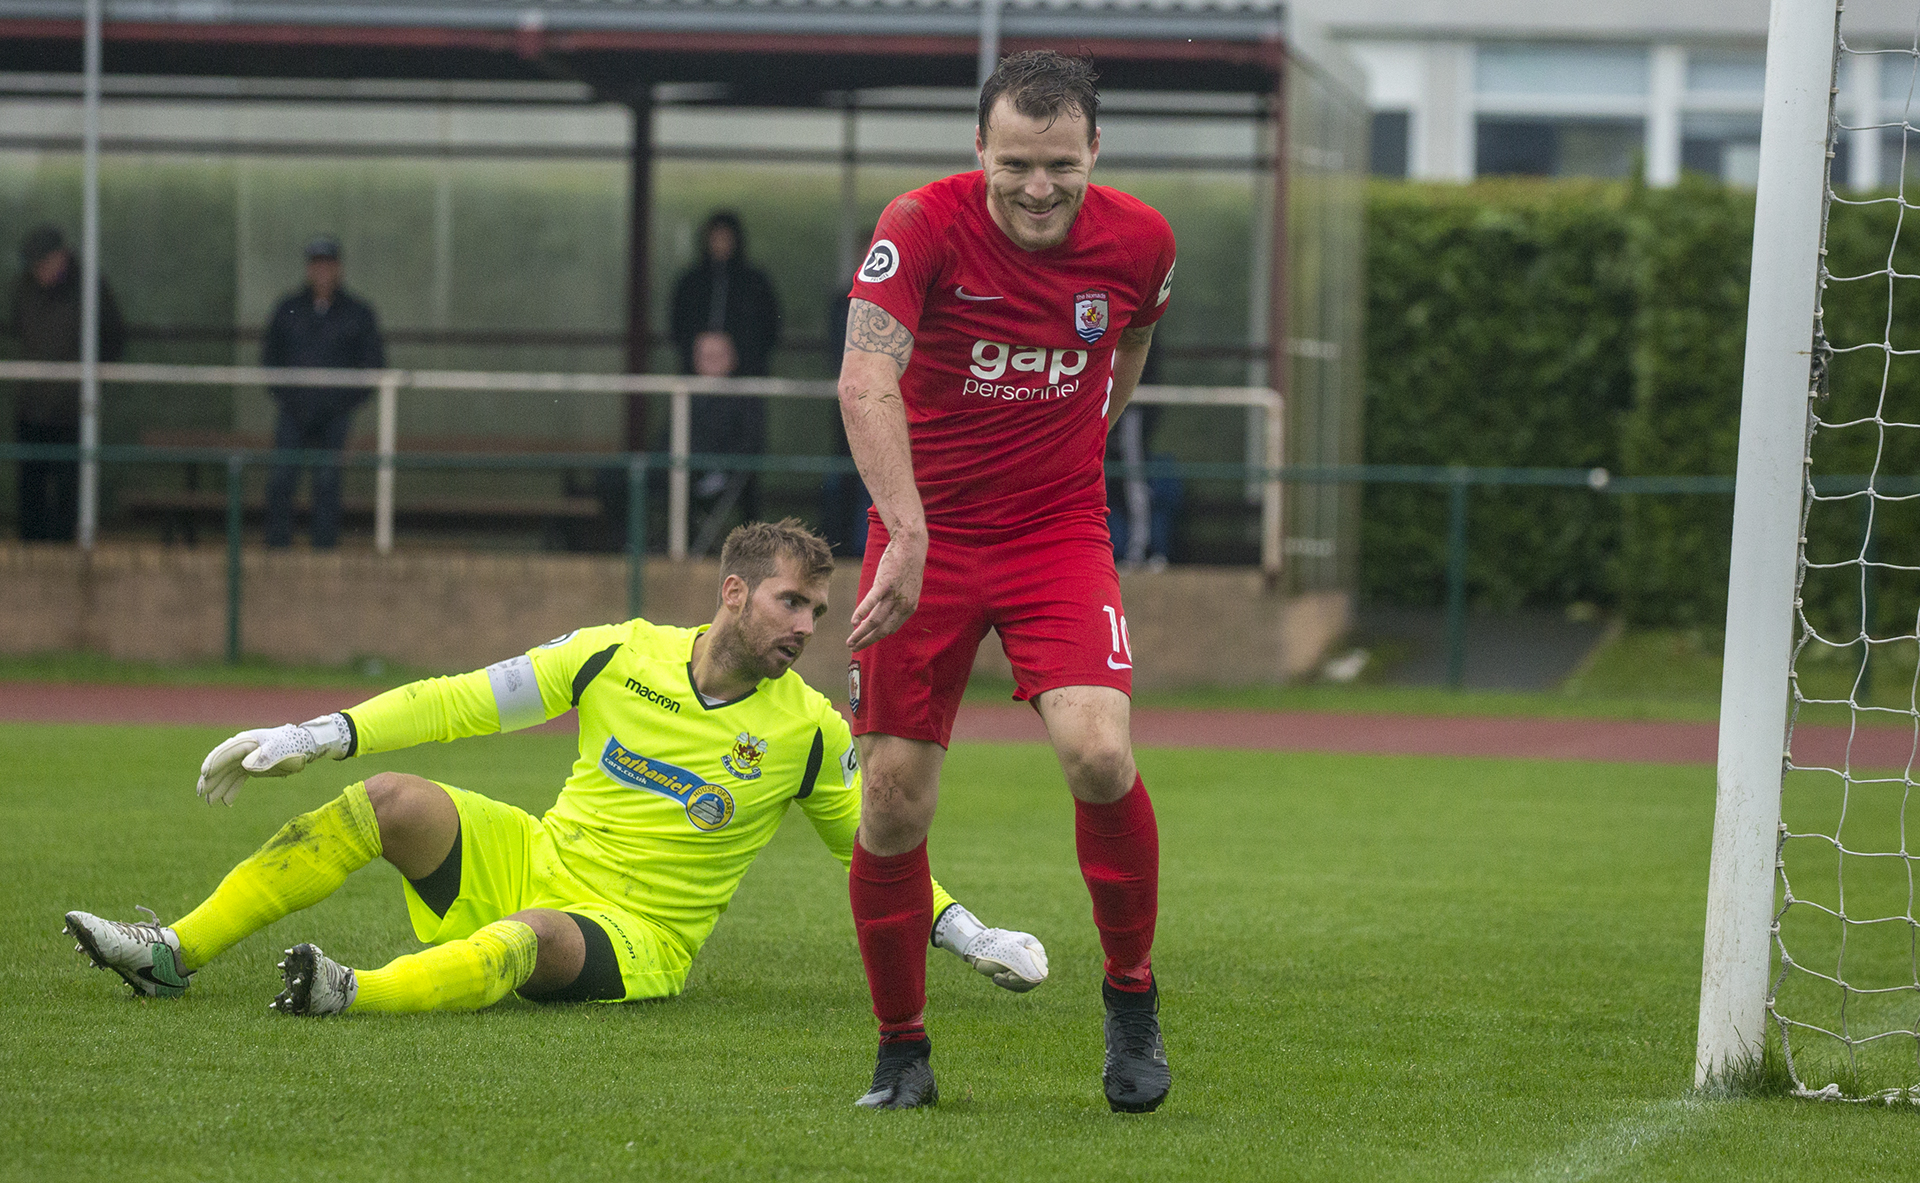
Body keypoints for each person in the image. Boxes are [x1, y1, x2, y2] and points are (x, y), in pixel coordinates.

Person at [63, 520, 1047, 1023]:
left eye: (818, 615)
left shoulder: (810, 731)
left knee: (526, 937)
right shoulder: (616, 651)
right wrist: (325, 731)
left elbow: (875, 853)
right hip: (534, 856)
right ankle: (170, 954)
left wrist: (968, 932)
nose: (806, 628)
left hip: (636, 936)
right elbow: (462, 699)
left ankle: (352, 992)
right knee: (387, 801)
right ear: (735, 591)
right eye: (791, 603)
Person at [835, 50, 1178, 1112]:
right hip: (920, 533)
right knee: (891, 801)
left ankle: (1131, 999)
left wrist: (1083, 441)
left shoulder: (1144, 241)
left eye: (1061, 165)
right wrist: (907, 529)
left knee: (1098, 751)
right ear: (979, 148)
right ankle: (902, 1050)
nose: (1039, 186)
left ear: (1095, 154)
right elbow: (864, 375)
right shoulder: (922, 224)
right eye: (1017, 162)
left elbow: (1129, 352)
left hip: (1055, 533)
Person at [261, 235, 384, 549]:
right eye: (316, 265)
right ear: (308, 269)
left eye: (328, 265)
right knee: (282, 479)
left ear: (338, 269)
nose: (322, 272)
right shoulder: (288, 309)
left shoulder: (357, 313)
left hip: (335, 414)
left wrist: (342, 403)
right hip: (293, 411)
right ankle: (276, 551)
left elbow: (372, 364)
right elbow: (269, 358)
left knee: (328, 482)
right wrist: (290, 397)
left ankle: (324, 554)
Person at [6, 225, 126, 542]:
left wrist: (89, 381)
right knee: (31, 484)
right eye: (35, 266)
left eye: (43, 264)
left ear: (61, 257)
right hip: (32, 405)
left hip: (72, 409)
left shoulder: (89, 286)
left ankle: (63, 552)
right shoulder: (24, 288)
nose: (39, 272)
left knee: (69, 486)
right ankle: (31, 551)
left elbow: (113, 336)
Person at [669, 212, 781, 545]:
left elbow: (769, 331)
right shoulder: (692, 283)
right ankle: (686, 537)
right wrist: (699, 358)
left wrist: (740, 359)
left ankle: (752, 545)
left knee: (745, 472)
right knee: (686, 463)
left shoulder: (754, 283)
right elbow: (678, 327)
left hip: (741, 392)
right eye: (715, 237)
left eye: (726, 237)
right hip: (698, 393)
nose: (720, 245)